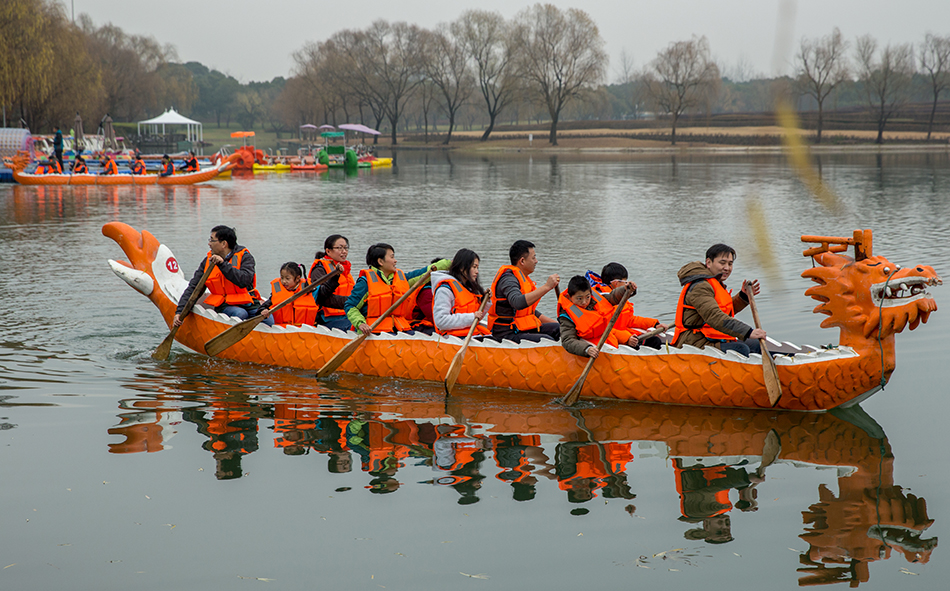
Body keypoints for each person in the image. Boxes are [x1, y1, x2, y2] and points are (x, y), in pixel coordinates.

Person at [672, 243, 764, 356]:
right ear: (709, 263)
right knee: (740, 349)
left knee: (755, 344)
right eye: (722, 263)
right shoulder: (700, 286)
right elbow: (714, 316)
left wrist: (743, 297)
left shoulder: (716, 283)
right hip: (694, 341)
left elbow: (724, 310)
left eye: (730, 264)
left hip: (712, 337)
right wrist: (748, 332)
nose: (727, 268)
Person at [344, 243, 450, 334]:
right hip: (374, 330)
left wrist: (452, 263)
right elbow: (351, 306)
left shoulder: (402, 279)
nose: (395, 261)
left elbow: (425, 272)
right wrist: (361, 324)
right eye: (392, 257)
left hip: (399, 328)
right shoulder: (365, 282)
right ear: (380, 261)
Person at [173, 225, 264, 327]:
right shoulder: (208, 261)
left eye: (212, 240)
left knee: (268, 320)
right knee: (240, 314)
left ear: (224, 243)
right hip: (224, 304)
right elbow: (194, 288)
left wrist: (223, 265)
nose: (209, 243)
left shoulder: (245, 257)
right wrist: (180, 312)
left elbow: (244, 280)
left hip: (248, 302)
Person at [487, 240, 560, 342]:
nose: (536, 261)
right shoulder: (508, 279)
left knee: (560, 330)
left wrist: (557, 324)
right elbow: (517, 302)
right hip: (507, 334)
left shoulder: (523, 279)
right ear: (522, 261)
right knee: (547, 339)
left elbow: (530, 312)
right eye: (533, 257)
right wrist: (547, 287)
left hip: (522, 329)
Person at [558, 275, 640, 358]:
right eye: (579, 299)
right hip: (591, 349)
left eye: (587, 297)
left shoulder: (595, 300)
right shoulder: (566, 316)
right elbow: (567, 340)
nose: (584, 302)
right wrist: (587, 349)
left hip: (609, 341)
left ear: (590, 293)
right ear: (569, 297)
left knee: (631, 341)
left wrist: (626, 290)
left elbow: (613, 297)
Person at [590, 262, 666, 349]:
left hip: (625, 334)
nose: (626, 284)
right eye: (625, 282)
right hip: (612, 340)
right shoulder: (600, 299)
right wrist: (626, 338)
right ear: (616, 283)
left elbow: (630, 320)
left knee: (655, 341)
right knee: (653, 344)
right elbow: (604, 329)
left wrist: (654, 324)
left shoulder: (620, 297)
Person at [431, 248, 490, 338]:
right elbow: (441, 321)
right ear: (462, 268)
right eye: (474, 267)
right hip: (453, 339)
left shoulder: (468, 288)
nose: (477, 271)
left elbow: (477, 318)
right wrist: (471, 317)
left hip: (471, 334)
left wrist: (486, 302)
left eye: (477, 267)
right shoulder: (445, 290)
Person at [309, 234, 354, 331]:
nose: (344, 251)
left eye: (346, 248)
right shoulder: (319, 269)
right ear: (328, 251)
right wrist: (351, 302)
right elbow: (321, 298)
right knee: (358, 326)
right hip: (327, 319)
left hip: (349, 314)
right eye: (340, 248)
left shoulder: (345, 270)